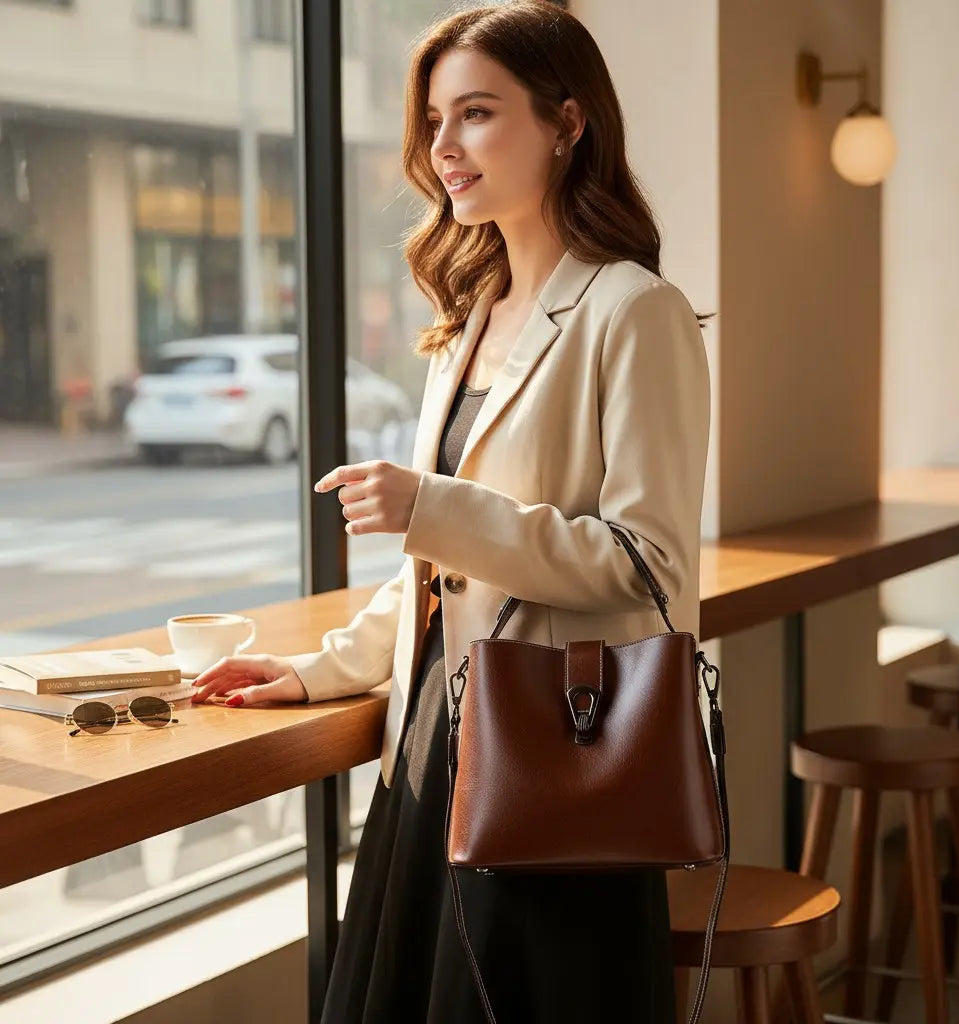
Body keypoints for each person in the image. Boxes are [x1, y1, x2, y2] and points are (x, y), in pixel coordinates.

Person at [191, 2, 711, 1021]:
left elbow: (647, 562)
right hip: (435, 737)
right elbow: (441, 574)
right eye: (434, 120)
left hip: (554, 751)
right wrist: (312, 669)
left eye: (475, 114)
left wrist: (434, 504)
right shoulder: (471, 317)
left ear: (567, 123)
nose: (441, 148)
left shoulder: (631, 310)